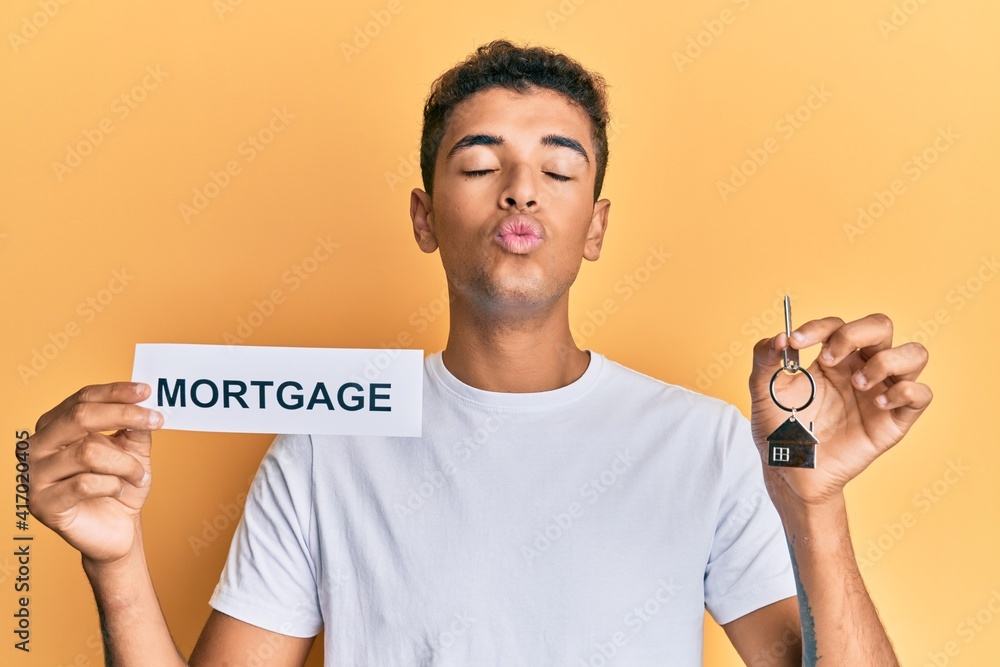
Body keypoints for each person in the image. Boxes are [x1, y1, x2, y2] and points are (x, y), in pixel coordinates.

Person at [28, 40, 931, 666]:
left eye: (560, 168)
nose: (519, 189)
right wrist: (113, 563)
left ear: (596, 228)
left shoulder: (709, 445)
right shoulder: (322, 450)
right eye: (478, 164)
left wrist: (813, 502)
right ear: (424, 218)